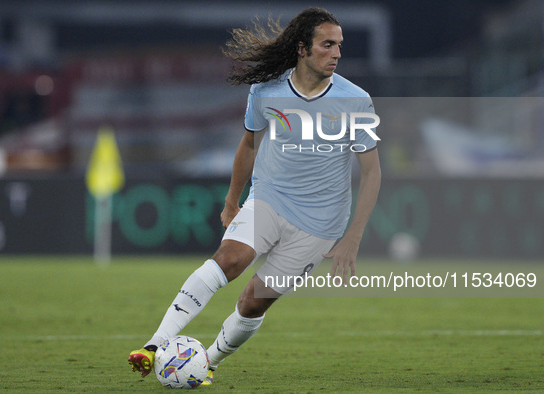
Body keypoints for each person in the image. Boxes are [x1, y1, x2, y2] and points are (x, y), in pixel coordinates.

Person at [128, 7, 381, 385]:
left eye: (339, 45)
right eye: (327, 45)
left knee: (252, 302)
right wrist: (233, 200)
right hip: (269, 198)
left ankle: (206, 363)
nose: (337, 53)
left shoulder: (354, 100)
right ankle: (153, 346)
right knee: (229, 259)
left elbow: (373, 171)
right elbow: (248, 143)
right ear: (302, 49)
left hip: (321, 223)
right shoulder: (267, 89)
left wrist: (352, 238)